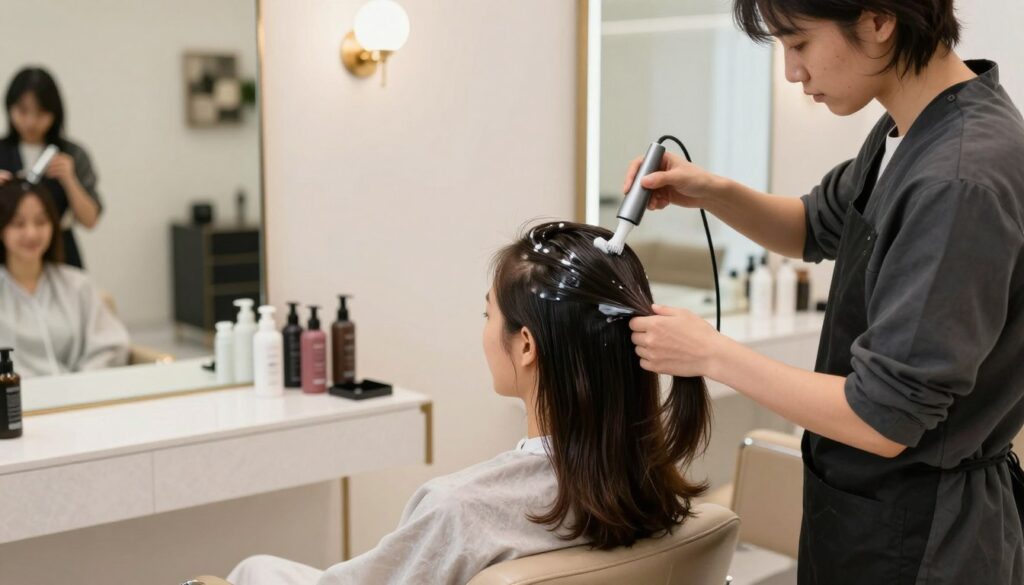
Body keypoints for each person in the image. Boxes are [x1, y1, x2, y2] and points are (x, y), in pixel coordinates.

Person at [624, 1, 1024, 583]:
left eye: (799, 44)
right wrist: (709, 189)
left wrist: (710, 353)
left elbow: (883, 419)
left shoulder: (959, 179)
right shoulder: (906, 131)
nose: (791, 72)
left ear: (878, 19)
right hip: (869, 515)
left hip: (925, 540)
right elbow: (814, 224)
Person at [227, 221, 712, 585]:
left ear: (526, 345)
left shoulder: (460, 511)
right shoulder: (651, 487)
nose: (483, 330)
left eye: (488, 313)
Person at [0, 180, 128, 376]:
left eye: (41, 222)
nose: (31, 233)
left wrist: (79, 387)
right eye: (18, 224)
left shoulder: (76, 284)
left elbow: (111, 345)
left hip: (78, 398)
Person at [0, 67, 102, 268]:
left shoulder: (72, 154)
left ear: (55, 113)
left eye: (41, 113)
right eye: (22, 111)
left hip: (60, 255)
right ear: (9, 108)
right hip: (7, 259)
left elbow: (90, 220)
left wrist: (70, 180)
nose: (31, 121)